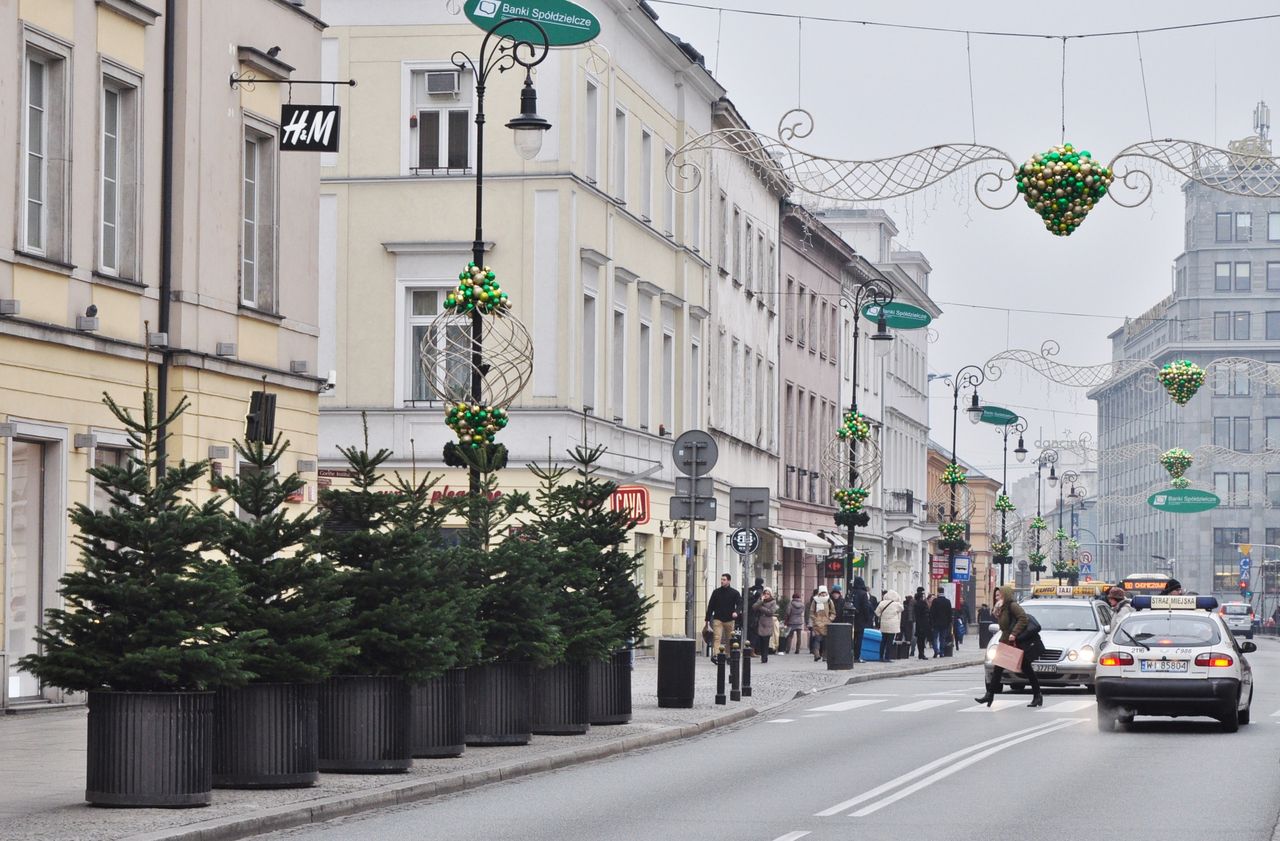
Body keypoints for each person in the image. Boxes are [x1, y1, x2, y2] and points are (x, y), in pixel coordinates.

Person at [975, 583, 1045, 708]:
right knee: (998, 669)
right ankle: (989, 695)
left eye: (999, 595)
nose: (996, 597)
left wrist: (1014, 633)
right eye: (995, 595)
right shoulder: (1001, 608)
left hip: (1015, 642)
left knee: (1027, 669)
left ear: (1005, 595)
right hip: (1006, 641)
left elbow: (1023, 618)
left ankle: (1037, 695)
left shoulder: (1012, 606)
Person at [704, 573, 741, 659]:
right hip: (718, 619)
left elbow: (739, 604)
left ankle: (728, 655)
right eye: (721, 579)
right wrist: (707, 620)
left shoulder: (734, 593)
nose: (722, 581)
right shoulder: (716, 592)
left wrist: (736, 612)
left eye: (724, 580)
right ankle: (717, 655)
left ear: (729, 581)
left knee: (729, 639)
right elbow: (711, 606)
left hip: (729, 619)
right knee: (717, 637)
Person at [807, 585, 835, 661]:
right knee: (817, 639)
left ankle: (825, 656)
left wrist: (830, 619)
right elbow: (811, 612)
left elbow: (833, 612)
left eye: (824, 593)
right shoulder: (815, 601)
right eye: (822, 593)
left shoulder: (829, 601)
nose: (823, 594)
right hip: (817, 624)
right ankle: (816, 654)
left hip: (826, 623)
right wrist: (815, 620)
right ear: (819, 593)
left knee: (826, 641)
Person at [849, 577, 873, 662]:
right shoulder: (863, 594)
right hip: (860, 619)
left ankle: (850, 655)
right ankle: (857, 656)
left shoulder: (851, 592)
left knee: (851, 638)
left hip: (851, 619)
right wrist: (867, 618)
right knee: (859, 639)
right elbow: (866, 607)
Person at [875, 589, 903, 661]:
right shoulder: (896, 604)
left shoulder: (882, 603)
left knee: (883, 641)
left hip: (884, 624)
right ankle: (887, 657)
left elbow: (877, 613)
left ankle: (881, 656)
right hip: (893, 625)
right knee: (889, 642)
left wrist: (882, 616)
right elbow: (902, 608)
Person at [752, 588, 778, 661]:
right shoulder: (761, 600)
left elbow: (771, 612)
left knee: (765, 641)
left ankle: (764, 657)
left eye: (768, 594)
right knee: (760, 641)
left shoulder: (773, 601)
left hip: (767, 623)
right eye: (765, 593)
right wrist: (761, 601)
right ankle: (762, 655)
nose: (766, 595)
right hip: (760, 623)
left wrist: (761, 608)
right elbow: (754, 607)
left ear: (770, 594)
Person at [930, 588, 953, 657]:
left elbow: (932, 612)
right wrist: (949, 622)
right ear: (943, 592)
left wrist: (932, 622)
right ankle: (942, 652)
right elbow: (950, 613)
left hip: (936, 623)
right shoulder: (947, 601)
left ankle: (936, 651)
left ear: (938, 592)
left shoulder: (935, 601)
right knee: (942, 638)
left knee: (935, 637)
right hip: (945, 623)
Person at [912, 586, 931, 660]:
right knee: (922, 640)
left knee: (919, 639)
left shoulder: (916, 603)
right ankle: (921, 654)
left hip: (918, 623)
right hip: (923, 624)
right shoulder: (922, 603)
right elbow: (926, 613)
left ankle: (921, 653)